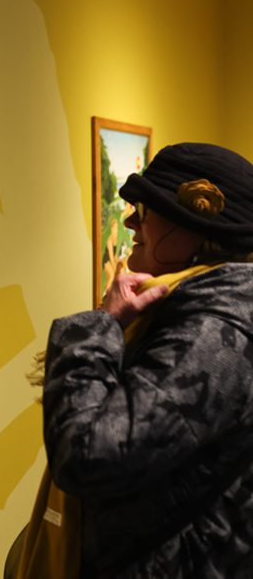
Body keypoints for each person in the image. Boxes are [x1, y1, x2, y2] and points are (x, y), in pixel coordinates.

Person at [34, 142, 253, 578]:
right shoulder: (207, 312)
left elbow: (87, 456)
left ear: (196, 223)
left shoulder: (213, 331)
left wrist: (98, 326)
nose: (131, 220)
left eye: (147, 209)